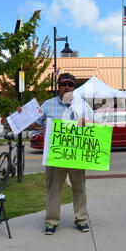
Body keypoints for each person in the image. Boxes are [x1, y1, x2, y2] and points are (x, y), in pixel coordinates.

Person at [21, 73, 97, 235]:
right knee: (53, 189)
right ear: (58, 87)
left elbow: (97, 125)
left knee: (79, 189)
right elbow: (36, 122)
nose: (67, 87)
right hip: (55, 156)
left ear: (74, 88)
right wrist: (23, 115)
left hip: (76, 156)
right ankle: (51, 222)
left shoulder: (83, 106)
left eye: (71, 85)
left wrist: (87, 122)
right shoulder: (48, 105)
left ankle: (81, 219)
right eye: (64, 84)